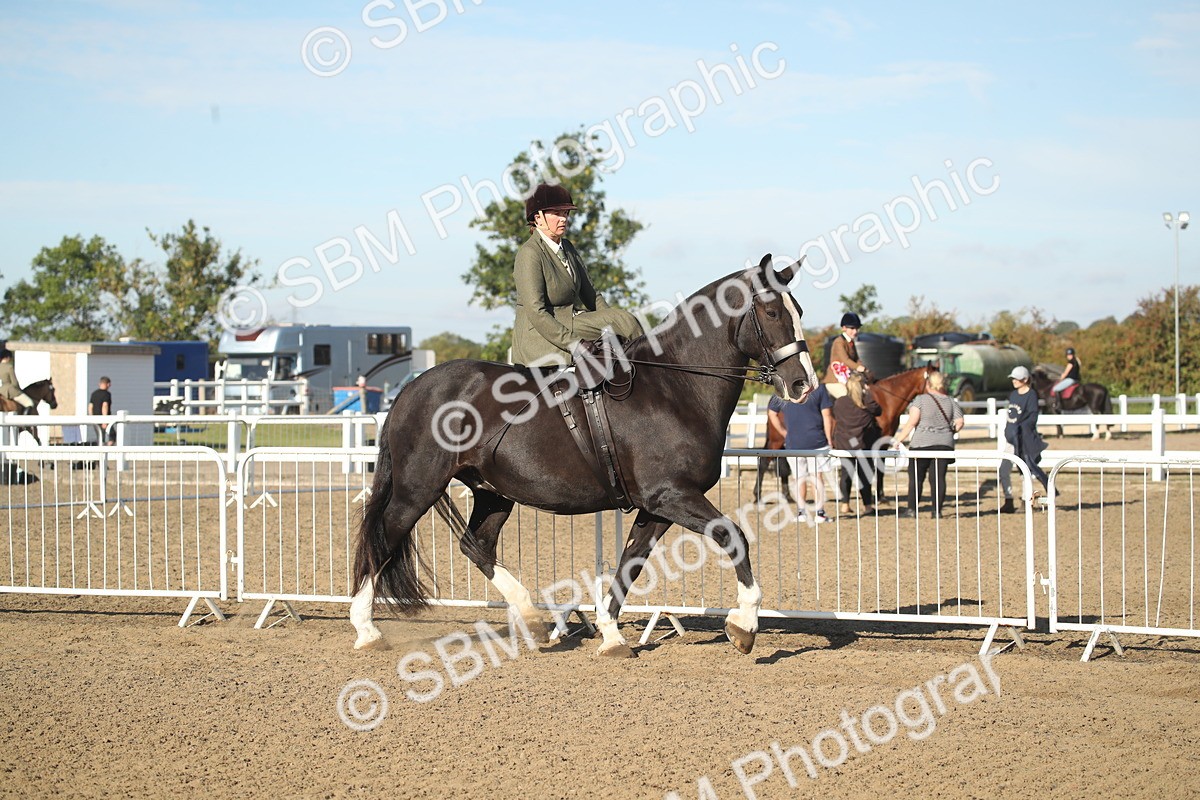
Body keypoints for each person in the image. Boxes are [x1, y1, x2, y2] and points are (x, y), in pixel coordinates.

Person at [511, 183, 644, 366]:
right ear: (538, 218)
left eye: (566, 213)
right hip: (541, 334)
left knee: (624, 321)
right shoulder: (530, 253)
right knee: (625, 322)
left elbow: (593, 296)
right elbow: (536, 312)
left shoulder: (567, 247)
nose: (563, 219)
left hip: (571, 320)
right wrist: (575, 344)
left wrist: (612, 321)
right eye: (557, 213)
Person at [895, 371, 964, 518]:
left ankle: (912, 510)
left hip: (922, 443)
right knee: (938, 478)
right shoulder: (951, 401)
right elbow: (959, 422)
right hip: (944, 445)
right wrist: (949, 431)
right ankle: (936, 511)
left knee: (916, 478)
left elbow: (912, 422)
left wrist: (899, 439)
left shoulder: (920, 400)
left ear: (928, 384)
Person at [769, 383, 834, 523]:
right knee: (817, 477)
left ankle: (801, 512)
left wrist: (784, 433)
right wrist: (829, 439)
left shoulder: (784, 388)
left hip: (794, 442)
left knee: (799, 478)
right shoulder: (819, 388)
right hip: (817, 441)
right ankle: (820, 513)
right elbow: (827, 415)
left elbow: (772, 413)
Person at [832, 372, 882, 515]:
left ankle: (845, 504)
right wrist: (867, 393)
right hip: (862, 443)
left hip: (844, 443)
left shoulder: (840, 402)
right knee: (864, 475)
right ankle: (867, 506)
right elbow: (879, 411)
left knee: (846, 474)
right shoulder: (866, 401)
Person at [1004, 365, 1051, 497]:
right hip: (1011, 438)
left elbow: (1032, 418)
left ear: (1025, 379)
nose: (1014, 381)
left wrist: (1020, 428)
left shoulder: (1031, 395)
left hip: (1023, 439)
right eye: (1013, 378)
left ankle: (1027, 499)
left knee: (1025, 469)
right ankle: (1008, 499)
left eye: (1016, 378)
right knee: (1003, 469)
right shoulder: (1013, 394)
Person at [822, 312, 867, 399]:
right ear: (844, 328)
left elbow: (856, 359)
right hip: (835, 381)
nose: (855, 331)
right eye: (852, 328)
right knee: (848, 399)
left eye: (857, 328)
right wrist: (858, 367)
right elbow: (845, 360)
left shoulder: (850, 342)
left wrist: (864, 369)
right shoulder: (839, 342)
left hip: (847, 379)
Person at [89, 376, 116, 445]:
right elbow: (105, 406)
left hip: (96, 420)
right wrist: (104, 421)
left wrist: (91, 418)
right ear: (108, 384)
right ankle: (107, 449)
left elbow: (90, 407)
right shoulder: (106, 394)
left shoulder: (94, 394)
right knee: (112, 437)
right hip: (104, 419)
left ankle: (102, 448)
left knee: (100, 437)